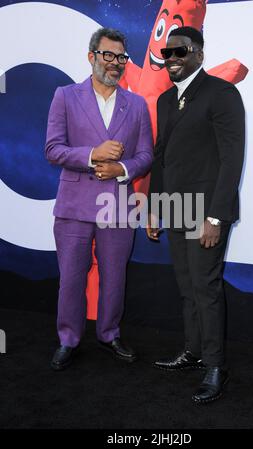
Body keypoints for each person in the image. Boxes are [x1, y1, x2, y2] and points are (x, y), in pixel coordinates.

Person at [147, 26, 245, 404]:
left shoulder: (222, 93)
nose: (172, 59)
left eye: (180, 52)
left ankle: (216, 366)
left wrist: (216, 218)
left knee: (206, 290)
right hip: (174, 208)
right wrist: (155, 207)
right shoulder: (165, 100)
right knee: (187, 289)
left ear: (198, 55)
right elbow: (160, 156)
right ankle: (192, 352)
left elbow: (231, 159)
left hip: (205, 212)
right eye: (167, 53)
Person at [46, 28, 153, 370]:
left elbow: (146, 155)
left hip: (118, 206)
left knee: (114, 275)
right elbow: (53, 149)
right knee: (72, 277)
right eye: (108, 55)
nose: (115, 63)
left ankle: (109, 334)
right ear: (91, 57)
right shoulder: (65, 96)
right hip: (74, 206)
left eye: (121, 57)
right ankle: (68, 339)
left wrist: (120, 167)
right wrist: (93, 155)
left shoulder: (136, 104)